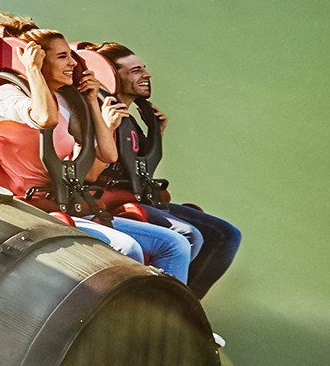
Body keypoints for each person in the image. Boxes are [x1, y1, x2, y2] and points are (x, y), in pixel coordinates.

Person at [0, 16, 192, 281]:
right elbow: (44, 118)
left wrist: (91, 102)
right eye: (62, 57)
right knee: (127, 249)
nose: (72, 63)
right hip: (31, 209)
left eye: (70, 56)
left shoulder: (66, 100)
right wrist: (32, 70)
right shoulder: (4, 97)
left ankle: (171, 314)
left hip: (72, 205)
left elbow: (107, 154)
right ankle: (130, 315)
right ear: (36, 59)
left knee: (175, 245)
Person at [87, 41, 241, 298]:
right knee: (188, 235)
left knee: (226, 234)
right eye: (135, 71)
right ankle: (166, 307)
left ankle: (188, 306)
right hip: (103, 204)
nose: (147, 75)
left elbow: (136, 174)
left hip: (135, 197)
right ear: (110, 76)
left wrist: (155, 137)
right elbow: (89, 171)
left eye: (144, 68)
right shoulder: (96, 116)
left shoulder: (130, 120)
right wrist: (108, 129)